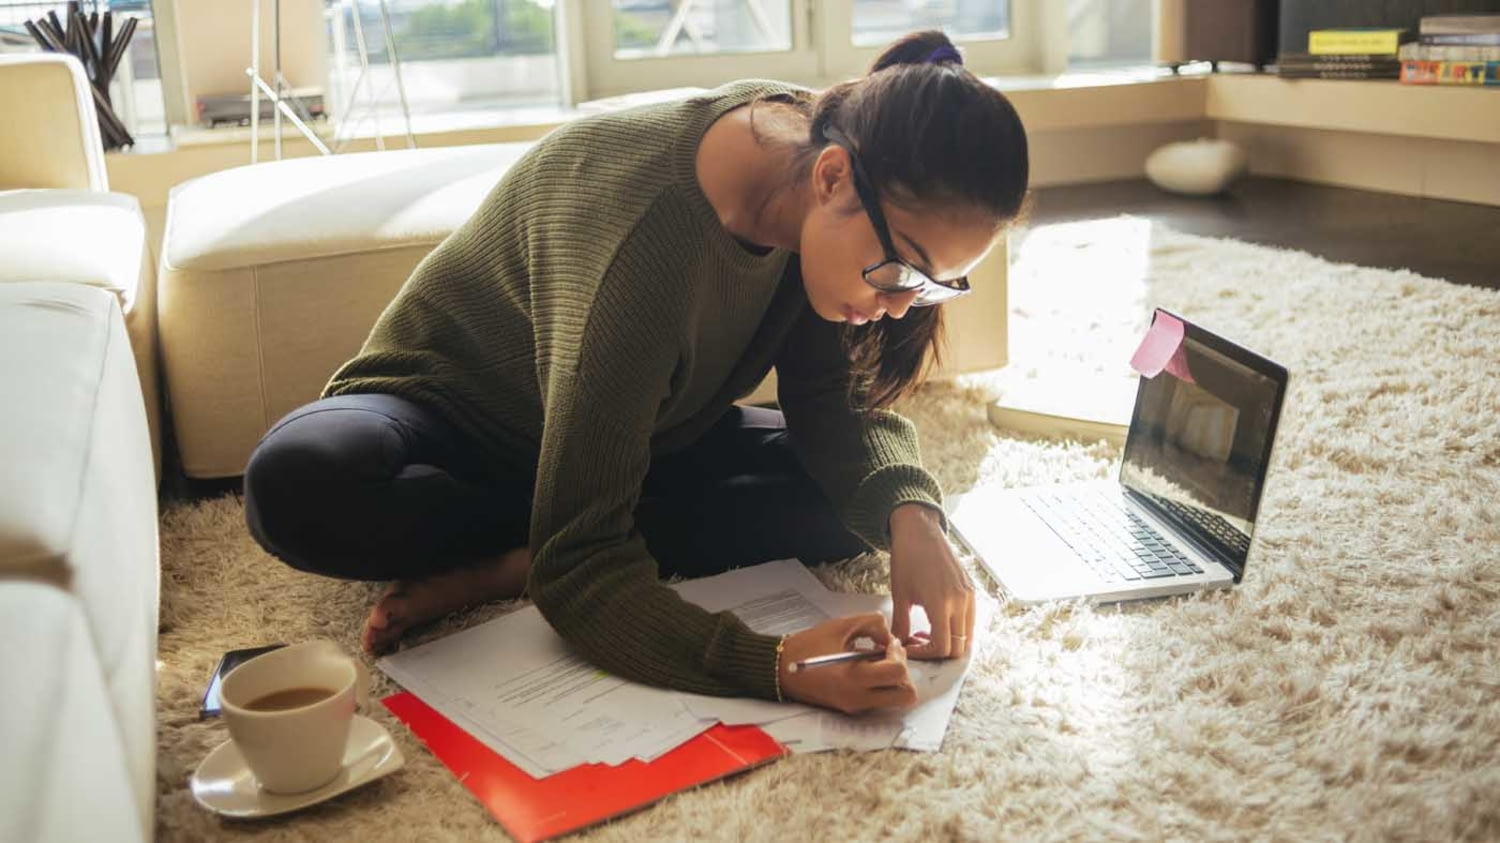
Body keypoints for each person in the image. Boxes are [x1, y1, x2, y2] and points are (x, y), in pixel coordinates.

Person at [243, 29, 1029, 717]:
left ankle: (525, 552)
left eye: (933, 286)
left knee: (850, 507)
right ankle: (562, 532)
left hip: (641, 427)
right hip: (450, 422)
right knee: (298, 483)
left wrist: (915, 520)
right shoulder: (646, 245)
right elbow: (585, 577)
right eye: (903, 271)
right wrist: (777, 665)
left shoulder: (830, 162)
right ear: (830, 179)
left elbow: (830, 404)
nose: (899, 307)